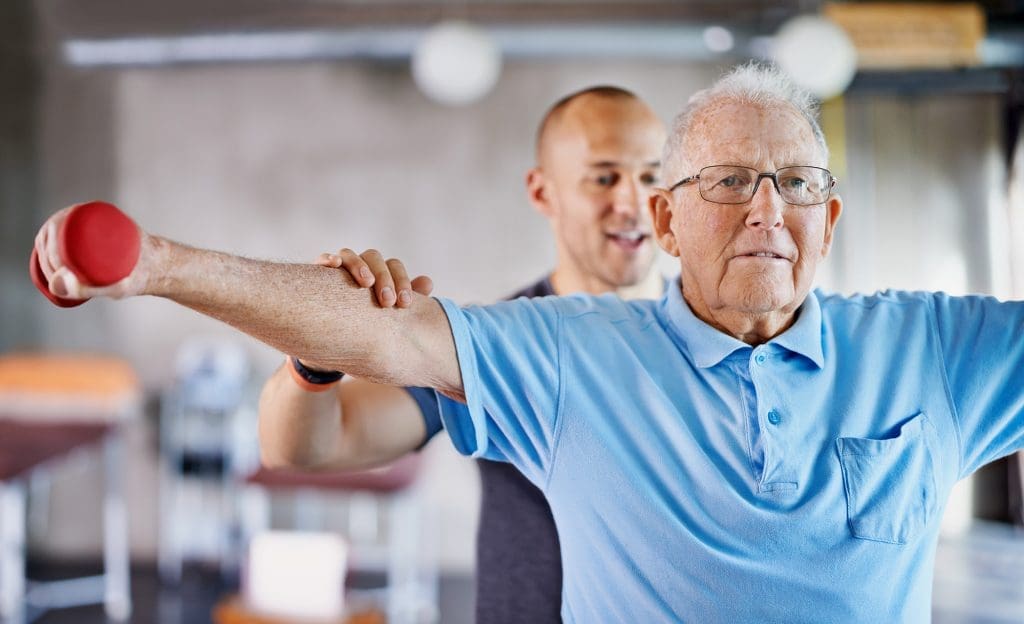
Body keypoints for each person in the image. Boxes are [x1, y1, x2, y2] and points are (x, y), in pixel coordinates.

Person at [32, 63, 1024, 622]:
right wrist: (157, 265)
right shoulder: (552, 347)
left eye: (795, 184)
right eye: (723, 181)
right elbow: (320, 419)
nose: (766, 211)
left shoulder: (924, 347)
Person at [258, 85, 666, 623]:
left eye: (651, 176)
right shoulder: (492, 343)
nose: (633, 202)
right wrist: (317, 355)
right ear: (543, 193)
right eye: (604, 177)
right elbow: (307, 446)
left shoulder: (708, 337)